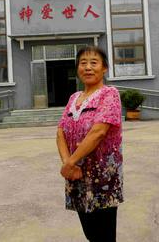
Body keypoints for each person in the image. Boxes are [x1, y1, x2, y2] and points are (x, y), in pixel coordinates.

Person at [56, 46, 123, 241]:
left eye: (94, 63)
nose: (88, 67)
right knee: (90, 233)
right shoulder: (73, 98)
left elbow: (98, 132)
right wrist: (68, 164)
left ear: (104, 68)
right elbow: (60, 132)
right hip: (76, 176)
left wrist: (71, 162)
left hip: (102, 177)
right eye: (83, 63)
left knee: (104, 235)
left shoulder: (109, 94)